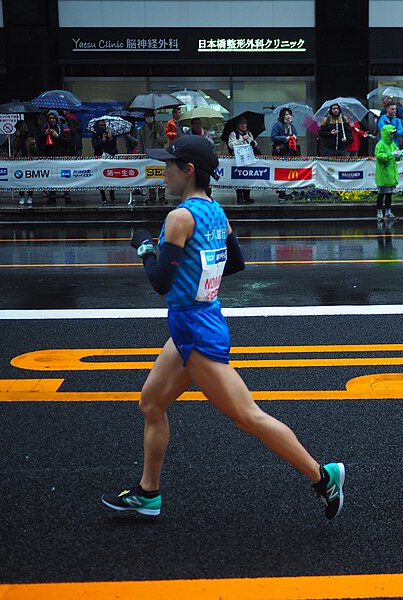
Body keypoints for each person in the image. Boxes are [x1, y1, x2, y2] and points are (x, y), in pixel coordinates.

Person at [101, 136, 345, 521]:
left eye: (169, 166)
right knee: (151, 403)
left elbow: (161, 282)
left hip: (196, 330)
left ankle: (322, 476)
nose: (163, 173)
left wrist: (145, 248)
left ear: (189, 170)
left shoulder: (180, 217)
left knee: (247, 417)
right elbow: (234, 264)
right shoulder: (215, 211)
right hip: (194, 324)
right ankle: (148, 492)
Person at [41, 110, 73, 205]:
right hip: (50, 156)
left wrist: (57, 136)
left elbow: (68, 141)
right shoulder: (45, 128)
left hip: (62, 156)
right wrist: (44, 135)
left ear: (56, 118)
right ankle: (52, 196)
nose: (51, 120)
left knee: (65, 177)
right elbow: (40, 143)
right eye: (50, 118)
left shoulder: (63, 127)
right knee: (51, 177)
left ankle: (67, 195)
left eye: (53, 118)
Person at [138, 112, 169, 204]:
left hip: (159, 156)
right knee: (150, 176)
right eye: (147, 116)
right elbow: (140, 143)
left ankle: (161, 196)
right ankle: (151, 195)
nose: (149, 118)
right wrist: (141, 155)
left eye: (150, 116)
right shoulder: (142, 129)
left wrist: (158, 136)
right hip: (148, 156)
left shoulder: (159, 126)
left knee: (160, 175)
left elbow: (165, 140)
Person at [270, 107, 300, 201]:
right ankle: (281, 192)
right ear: (282, 116)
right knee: (280, 173)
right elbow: (273, 137)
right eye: (286, 114)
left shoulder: (292, 126)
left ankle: (285, 191)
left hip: (290, 152)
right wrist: (285, 138)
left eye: (289, 114)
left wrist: (294, 137)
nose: (288, 116)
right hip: (280, 152)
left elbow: (296, 137)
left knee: (288, 172)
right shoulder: (277, 125)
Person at [227, 116, 258, 204]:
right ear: (237, 124)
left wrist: (251, 141)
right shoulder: (233, 134)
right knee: (239, 177)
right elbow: (231, 145)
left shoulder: (249, 133)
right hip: (238, 159)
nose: (244, 125)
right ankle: (240, 196)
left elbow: (254, 143)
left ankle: (247, 196)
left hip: (248, 158)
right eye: (242, 123)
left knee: (247, 177)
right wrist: (241, 140)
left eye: (245, 123)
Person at [374, 123, 402, 221]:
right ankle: (379, 213)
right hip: (383, 174)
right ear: (386, 133)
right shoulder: (380, 144)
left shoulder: (392, 144)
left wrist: (399, 155)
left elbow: (396, 157)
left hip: (391, 173)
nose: (393, 135)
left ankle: (388, 212)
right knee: (381, 195)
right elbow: (380, 157)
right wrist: (391, 154)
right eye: (391, 133)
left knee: (389, 194)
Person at [10, 120, 39, 206]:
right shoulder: (15, 136)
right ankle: (21, 196)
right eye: (22, 126)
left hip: (29, 161)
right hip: (19, 161)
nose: (24, 127)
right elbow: (13, 146)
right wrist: (16, 136)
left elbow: (35, 151)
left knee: (29, 180)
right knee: (20, 179)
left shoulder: (30, 136)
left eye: (25, 125)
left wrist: (33, 144)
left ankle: (30, 196)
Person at [92, 119, 119, 204]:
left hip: (110, 158)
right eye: (101, 125)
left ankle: (112, 195)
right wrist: (102, 140)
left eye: (104, 125)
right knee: (101, 177)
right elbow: (95, 146)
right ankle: (103, 197)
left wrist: (110, 139)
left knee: (111, 176)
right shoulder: (95, 135)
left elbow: (114, 146)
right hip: (100, 158)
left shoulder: (111, 134)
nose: (103, 127)